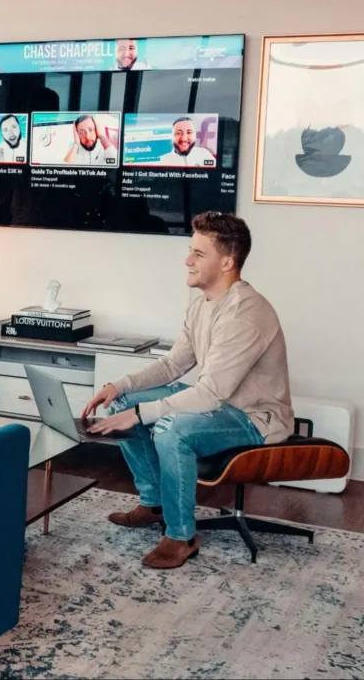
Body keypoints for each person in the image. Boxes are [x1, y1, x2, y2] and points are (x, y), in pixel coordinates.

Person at [82, 212, 293, 569]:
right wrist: (118, 387)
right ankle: (153, 505)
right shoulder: (203, 304)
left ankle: (182, 537)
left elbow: (209, 394)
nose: (187, 260)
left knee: (170, 429)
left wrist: (135, 416)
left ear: (227, 261)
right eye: (189, 250)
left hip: (254, 418)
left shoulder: (244, 313)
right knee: (123, 400)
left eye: (198, 253)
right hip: (221, 404)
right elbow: (172, 365)